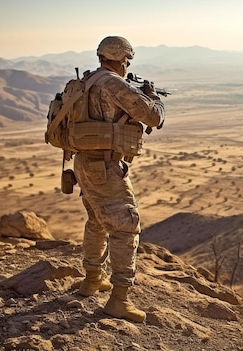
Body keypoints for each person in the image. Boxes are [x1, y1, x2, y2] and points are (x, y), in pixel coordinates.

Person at [74, 35, 165, 323]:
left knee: (98, 220)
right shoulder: (114, 84)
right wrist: (154, 98)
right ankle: (119, 299)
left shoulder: (89, 80)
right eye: (127, 60)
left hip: (84, 161)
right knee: (126, 225)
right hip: (106, 166)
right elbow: (152, 117)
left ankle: (91, 280)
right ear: (124, 59)